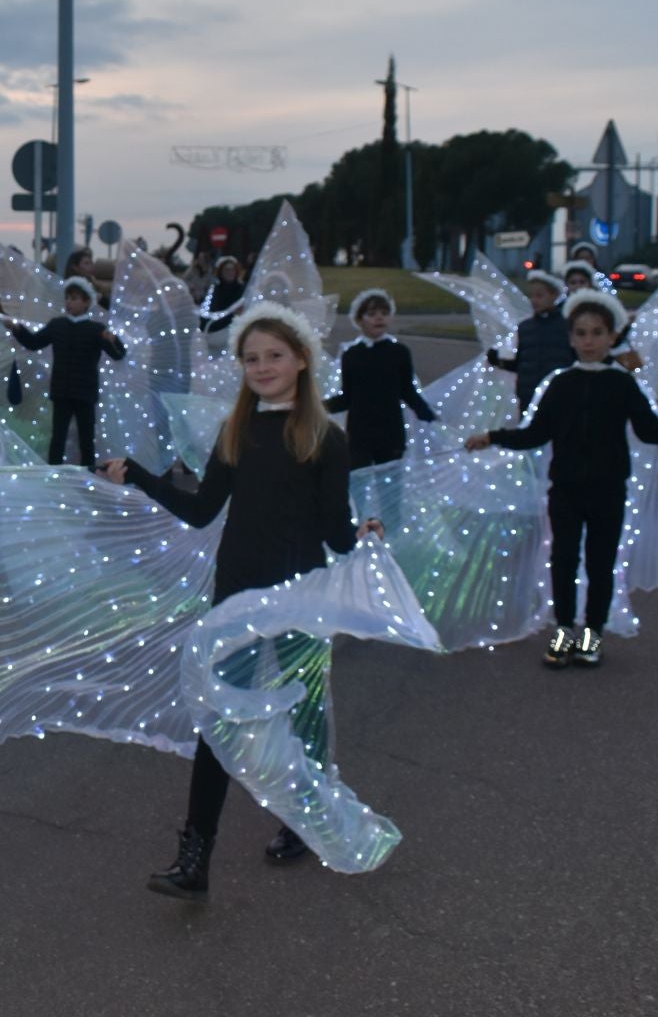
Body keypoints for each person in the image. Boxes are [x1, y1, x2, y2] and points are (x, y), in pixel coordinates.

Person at [100, 302, 384, 899]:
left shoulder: (326, 438)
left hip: (301, 598)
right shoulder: (236, 432)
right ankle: (194, 858)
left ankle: (304, 821)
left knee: (304, 716)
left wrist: (362, 535)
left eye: (274, 355)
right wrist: (141, 477)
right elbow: (202, 510)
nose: (262, 367)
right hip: (236, 597)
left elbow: (335, 532)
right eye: (251, 359)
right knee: (219, 720)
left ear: (301, 359)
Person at [465, 290, 658, 668]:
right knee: (564, 559)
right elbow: (534, 433)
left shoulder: (622, 384)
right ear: (571, 339)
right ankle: (563, 628)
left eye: (597, 333)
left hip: (608, 489)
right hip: (565, 490)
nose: (589, 341)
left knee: (600, 563)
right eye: (581, 334)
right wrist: (492, 437)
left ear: (612, 337)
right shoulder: (560, 384)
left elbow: (651, 430)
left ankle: (592, 632)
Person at [8, 276, 127, 466]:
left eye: (74, 298)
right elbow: (34, 342)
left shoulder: (96, 329)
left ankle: (88, 472)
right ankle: (55, 473)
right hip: (62, 391)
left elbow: (118, 355)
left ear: (86, 302)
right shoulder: (57, 325)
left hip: (85, 392)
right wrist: (17, 329)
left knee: (86, 438)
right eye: (67, 298)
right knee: (58, 437)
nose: (69, 302)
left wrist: (113, 340)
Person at [325, 289, 436, 469]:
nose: (379, 318)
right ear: (359, 320)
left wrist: (427, 414)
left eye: (384, 313)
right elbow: (347, 397)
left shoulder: (399, 352)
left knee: (391, 478)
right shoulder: (351, 355)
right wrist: (318, 407)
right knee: (358, 479)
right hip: (359, 434)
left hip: (391, 432)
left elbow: (407, 391)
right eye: (371, 314)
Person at [486, 269, 574, 410]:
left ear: (554, 295)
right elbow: (522, 363)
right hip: (529, 399)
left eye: (539, 295)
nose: (534, 300)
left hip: (559, 398)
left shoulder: (567, 326)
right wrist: (499, 361)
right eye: (531, 296)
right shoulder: (525, 327)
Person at [198, 256, 245, 333]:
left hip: (233, 327)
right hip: (214, 326)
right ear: (221, 272)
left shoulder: (242, 289)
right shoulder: (215, 289)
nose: (230, 272)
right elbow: (209, 309)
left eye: (232, 269)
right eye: (226, 270)